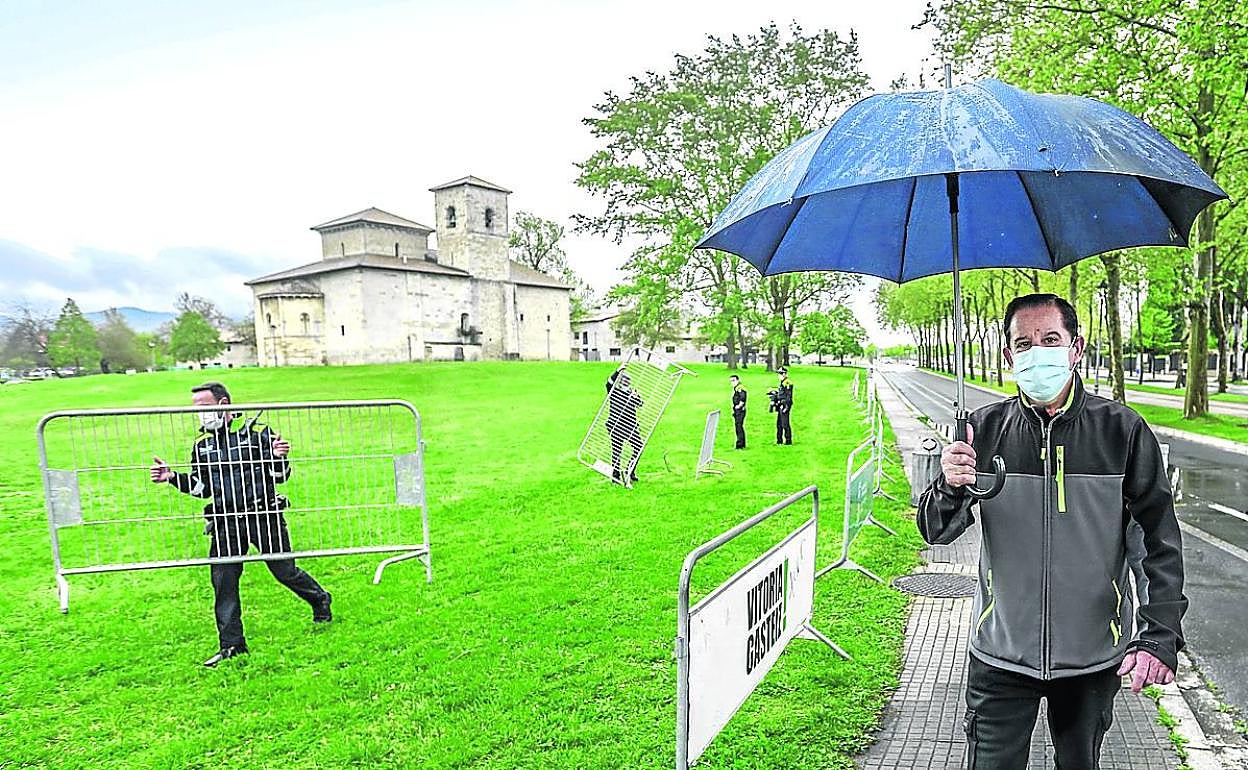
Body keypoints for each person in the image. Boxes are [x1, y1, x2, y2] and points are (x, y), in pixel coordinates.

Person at [918, 294, 1186, 769]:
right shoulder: (981, 431)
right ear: (1008, 355)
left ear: (1075, 348)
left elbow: (1157, 543)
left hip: (1091, 658)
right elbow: (934, 531)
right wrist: (950, 483)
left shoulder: (1121, 431)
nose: (1036, 352)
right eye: (1023, 344)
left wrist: (1158, 635)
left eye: (1050, 340)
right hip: (1000, 655)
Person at [150, 382, 332, 667]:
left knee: (285, 571)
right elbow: (202, 488)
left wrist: (279, 457)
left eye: (203, 407)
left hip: (264, 516)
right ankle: (232, 646)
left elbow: (280, 476)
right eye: (195, 409)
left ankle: (319, 599)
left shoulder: (258, 435)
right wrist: (172, 477)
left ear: (223, 405)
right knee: (223, 581)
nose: (199, 414)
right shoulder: (203, 447)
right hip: (225, 523)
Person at [605, 368, 644, 484]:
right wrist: (618, 371)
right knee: (617, 449)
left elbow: (640, 403)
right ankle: (615, 474)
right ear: (620, 380)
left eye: (628, 380)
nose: (626, 381)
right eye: (624, 379)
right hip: (616, 424)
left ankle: (630, 470)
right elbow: (608, 382)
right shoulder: (614, 391)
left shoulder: (632, 392)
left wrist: (635, 396)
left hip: (630, 425)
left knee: (638, 446)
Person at [768, 367, 794, 444]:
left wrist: (786, 406)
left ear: (784, 374)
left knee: (785, 423)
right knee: (779, 424)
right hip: (780, 404)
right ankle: (779, 440)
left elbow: (788, 396)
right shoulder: (782, 382)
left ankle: (788, 440)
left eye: (780, 374)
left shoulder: (787, 383)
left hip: (784, 404)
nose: (779, 376)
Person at [730, 374, 747, 449]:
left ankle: (740, 444)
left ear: (738, 380)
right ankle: (742, 443)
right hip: (738, 410)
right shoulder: (736, 388)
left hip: (740, 410)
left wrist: (739, 406)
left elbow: (743, 398)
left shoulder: (740, 388)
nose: (732, 382)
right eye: (731, 381)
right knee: (739, 426)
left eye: (733, 380)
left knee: (739, 427)